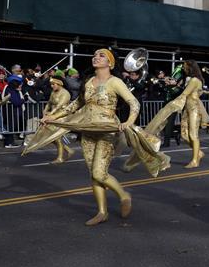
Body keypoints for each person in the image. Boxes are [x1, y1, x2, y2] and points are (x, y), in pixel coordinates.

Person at [32, 49, 170, 226]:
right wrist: (53, 116)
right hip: (88, 130)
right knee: (94, 174)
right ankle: (102, 212)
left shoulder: (115, 82)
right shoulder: (88, 81)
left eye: (101, 55)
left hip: (107, 131)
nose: (96, 57)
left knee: (99, 172)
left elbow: (134, 103)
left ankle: (123, 195)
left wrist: (128, 121)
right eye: (95, 55)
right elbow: (75, 105)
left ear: (110, 63)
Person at [44, 76, 74, 163]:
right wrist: (45, 111)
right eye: (51, 84)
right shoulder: (53, 92)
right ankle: (68, 150)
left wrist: (51, 113)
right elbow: (49, 103)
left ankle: (60, 158)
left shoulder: (65, 93)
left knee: (57, 137)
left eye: (53, 84)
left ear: (59, 83)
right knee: (49, 137)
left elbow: (59, 106)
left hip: (62, 117)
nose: (52, 86)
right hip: (53, 117)